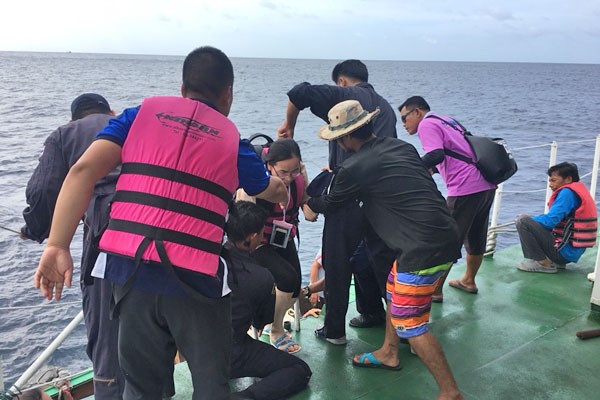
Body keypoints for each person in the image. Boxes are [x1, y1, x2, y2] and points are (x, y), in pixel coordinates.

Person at [32, 46, 288, 400]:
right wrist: (286, 191)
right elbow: (266, 188)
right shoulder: (232, 141)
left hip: (130, 274)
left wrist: (57, 245)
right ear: (228, 94)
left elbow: (83, 171)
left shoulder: (138, 115)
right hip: (196, 284)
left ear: (182, 89)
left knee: (142, 389)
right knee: (212, 385)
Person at [306, 100, 463, 400]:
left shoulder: (354, 166)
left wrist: (309, 204)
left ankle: (450, 391)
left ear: (345, 138)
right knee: (393, 289)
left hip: (421, 249)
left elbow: (331, 203)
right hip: (445, 233)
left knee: (410, 322)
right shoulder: (400, 147)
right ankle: (390, 352)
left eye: (338, 139)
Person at [19, 94, 136, 399]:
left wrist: (35, 230)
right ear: (110, 111)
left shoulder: (64, 134)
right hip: (152, 226)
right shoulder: (130, 124)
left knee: (107, 335)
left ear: (74, 118)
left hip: (106, 235)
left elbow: (44, 190)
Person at [278, 59, 396, 343]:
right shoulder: (386, 107)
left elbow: (299, 92)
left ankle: (334, 330)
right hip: (381, 196)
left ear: (341, 81)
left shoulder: (344, 96)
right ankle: (383, 317)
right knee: (376, 259)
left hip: (347, 193)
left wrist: (288, 126)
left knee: (337, 259)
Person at [398, 96, 496, 300]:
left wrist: (410, 169)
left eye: (404, 118)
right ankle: (468, 280)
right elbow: (453, 152)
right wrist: (429, 172)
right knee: (477, 233)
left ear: (417, 112)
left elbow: (435, 155)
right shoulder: (447, 120)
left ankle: (434, 290)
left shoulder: (427, 124)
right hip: (485, 183)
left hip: (465, 188)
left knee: (445, 237)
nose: (404, 124)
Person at [225, 201, 312, 400]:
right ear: (254, 236)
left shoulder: (209, 259)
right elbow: (260, 321)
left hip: (195, 346)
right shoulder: (259, 276)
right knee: (299, 368)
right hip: (232, 353)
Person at [236, 139, 308, 353]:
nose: (288, 178)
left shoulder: (299, 177)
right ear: (269, 165)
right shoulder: (255, 185)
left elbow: (306, 200)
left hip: (284, 236)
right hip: (259, 243)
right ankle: (276, 329)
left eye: (294, 171)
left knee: (295, 283)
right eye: (283, 172)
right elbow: (242, 222)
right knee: (287, 278)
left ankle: (273, 324)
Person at [516, 162, 597, 273]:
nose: (550, 184)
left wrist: (529, 218)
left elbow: (550, 222)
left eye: (553, 180)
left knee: (523, 222)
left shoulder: (567, 193)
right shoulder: (578, 190)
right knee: (533, 220)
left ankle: (543, 263)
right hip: (569, 252)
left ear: (568, 179)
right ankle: (555, 262)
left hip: (562, 253)